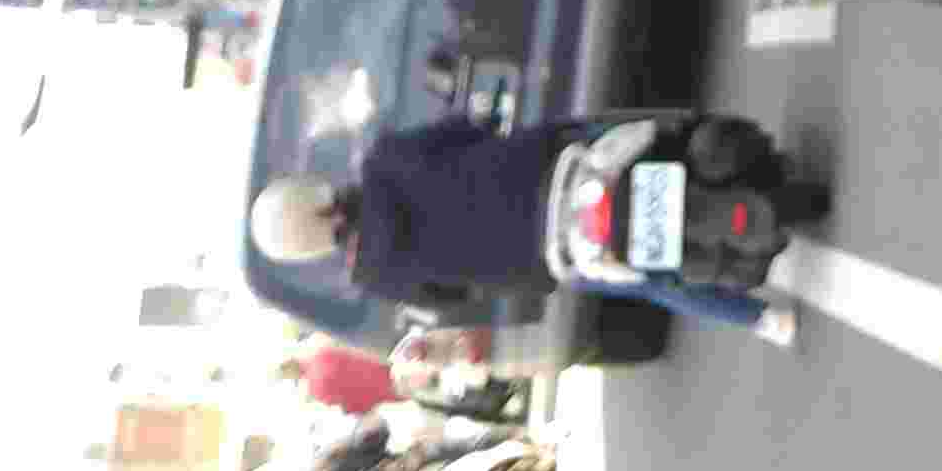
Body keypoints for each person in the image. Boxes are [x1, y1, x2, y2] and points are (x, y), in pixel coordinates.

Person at [252, 114, 813, 338]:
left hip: (546, 252)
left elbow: (453, 298)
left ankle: (761, 318)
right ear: (311, 192)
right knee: (643, 129)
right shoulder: (384, 160)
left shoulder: (377, 277)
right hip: (547, 164)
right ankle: (715, 137)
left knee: (654, 283)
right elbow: (465, 131)